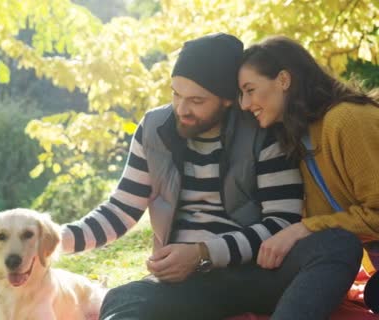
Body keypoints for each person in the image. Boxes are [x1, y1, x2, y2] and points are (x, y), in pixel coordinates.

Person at [59, 33, 363, 320]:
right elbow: (119, 211)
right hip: (188, 284)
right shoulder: (154, 130)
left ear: (228, 99)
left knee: (336, 244)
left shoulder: (264, 131)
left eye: (197, 101)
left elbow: (281, 223)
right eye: (176, 94)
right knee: (123, 298)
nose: (182, 109)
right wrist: (51, 241)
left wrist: (202, 253)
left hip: (256, 272)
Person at [238, 35, 379, 313]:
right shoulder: (300, 139)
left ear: (283, 80)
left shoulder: (346, 120)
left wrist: (303, 229)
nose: (244, 103)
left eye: (250, 89)